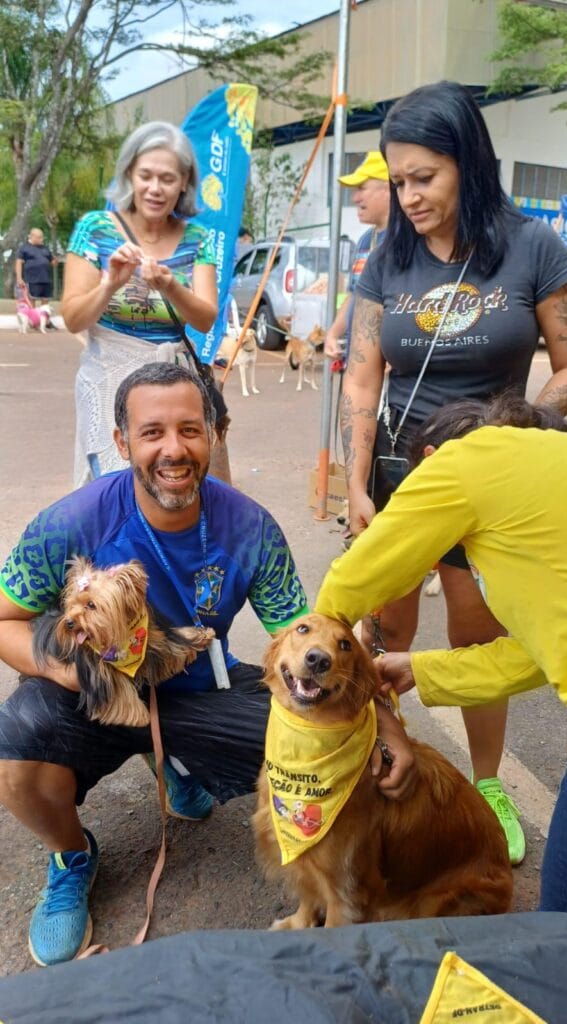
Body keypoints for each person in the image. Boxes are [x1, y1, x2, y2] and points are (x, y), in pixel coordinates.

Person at [0, 363, 406, 967]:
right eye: (152, 432)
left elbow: (307, 644)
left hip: (198, 687)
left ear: (213, 433)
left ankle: (173, 757)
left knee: (329, 755)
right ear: (122, 442)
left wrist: (386, 725)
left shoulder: (250, 528)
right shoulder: (71, 521)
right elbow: (5, 620)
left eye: (190, 430)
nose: (173, 449)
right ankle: (71, 856)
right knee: (19, 750)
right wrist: (79, 675)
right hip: (91, 691)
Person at [340, 79, 567, 865]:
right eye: (397, 179)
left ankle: (489, 784)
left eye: (423, 177)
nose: (407, 195)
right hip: (406, 469)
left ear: (469, 163)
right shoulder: (387, 258)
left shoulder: (531, 245)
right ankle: (391, 762)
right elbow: (363, 381)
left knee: (481, 634)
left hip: (498, 483)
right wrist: (353, 483)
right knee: (388, 629)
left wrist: (525, 428)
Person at [315, 393, 567, 912]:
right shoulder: (548, 482)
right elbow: (537, 655)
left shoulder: (463, 462)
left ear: (430, 461)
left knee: (561, 928)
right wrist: (420, 670)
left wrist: (327, 657)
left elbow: (346, 590)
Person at [60, 120, 225, 489]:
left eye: (167, 178)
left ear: (184, 182)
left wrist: (170, 287)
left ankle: (167, 548)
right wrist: (109, 284)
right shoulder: (96, 228)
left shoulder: (197, 238)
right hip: (107, 377)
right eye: (145, 175)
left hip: (174, 382)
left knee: (172, 478)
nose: (155, 188)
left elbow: (205, 318)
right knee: (115, 483)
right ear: (129, 175)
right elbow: (72, 318)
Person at [323, 151, 390, 365]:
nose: (354, 198)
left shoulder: (412, 242)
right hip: (359, 361)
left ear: (388, 189)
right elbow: (355, 293)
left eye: (362, 188)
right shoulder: (364, 241)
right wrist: (333, 333)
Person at [15, 228, 57, 306]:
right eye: (39, 237)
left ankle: (44, 317)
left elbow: (53, 262)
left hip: (45, 279)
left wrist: (55, 260)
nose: (41, 239)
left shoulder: (45, 248)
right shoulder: (24, 248)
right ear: (32, 236)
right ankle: (32, 316)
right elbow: (18, 263)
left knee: (45, 301)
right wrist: (19, 278)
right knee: (31, 300)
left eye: (42, 237)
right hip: (32, 280)